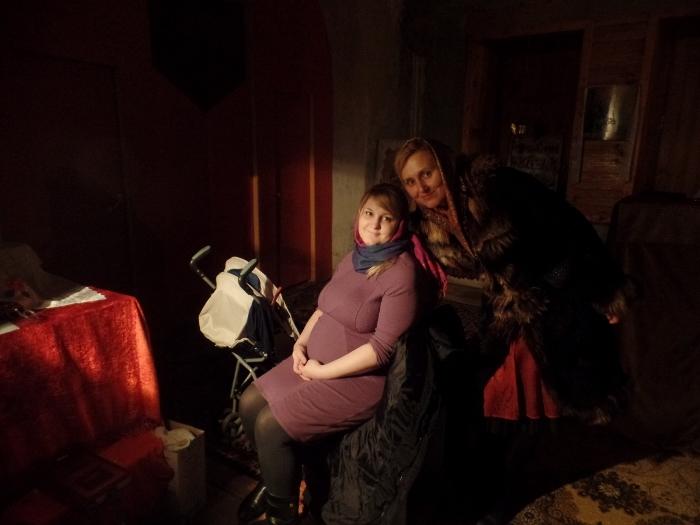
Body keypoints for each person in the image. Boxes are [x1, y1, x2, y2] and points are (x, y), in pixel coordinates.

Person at [394, 138, 634, 523]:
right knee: (497, 394)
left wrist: (600, 288)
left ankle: (508, 494)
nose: (421, 188)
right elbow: (398, 245)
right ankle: (491, 488)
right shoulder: (426, 224)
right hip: (504, 308)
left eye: (427, 173)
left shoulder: (495, 185)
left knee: (535, 393)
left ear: (445, 166)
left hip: (553, 292)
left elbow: (567, 223)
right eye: (410, 182)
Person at [237, 183, 436, 525]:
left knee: (270, 426)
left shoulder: (401, 274)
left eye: (386, 218)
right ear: (359, 215)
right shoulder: (353, 258)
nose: (374, 224)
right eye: (369, 213)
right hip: (316, 360)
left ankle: (283, 514)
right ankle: (275, 482)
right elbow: (323, 308)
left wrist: (320, 373)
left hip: (356, 381)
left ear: (399, 225)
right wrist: (300, 345)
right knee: (249, 402)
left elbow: (381, 351)